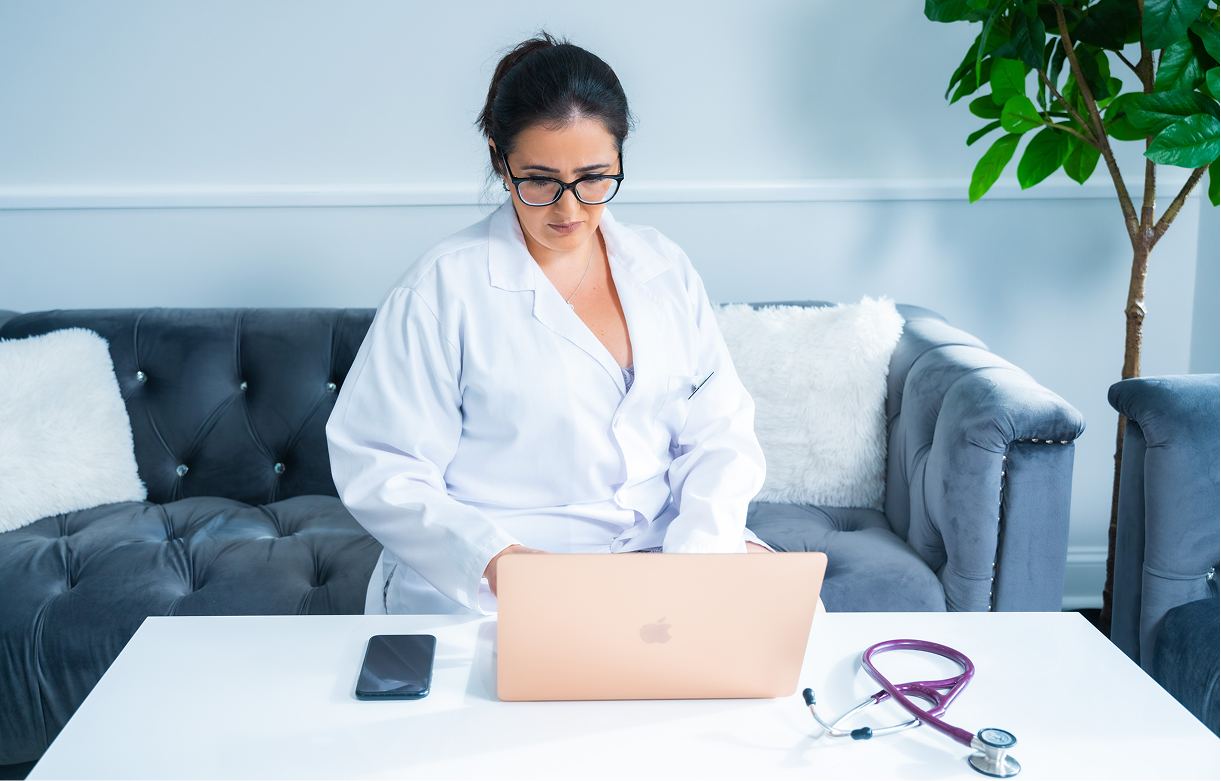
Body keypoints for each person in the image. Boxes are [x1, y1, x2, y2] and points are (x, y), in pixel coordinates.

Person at [326, 33, 776, 616]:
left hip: (662, 554)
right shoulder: (441, 289)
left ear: (619, 157)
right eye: (539, 180)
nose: (569, 210)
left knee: (786, 634)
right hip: (508, 573)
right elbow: (379, 462)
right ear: (499, 159)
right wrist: (495, 559)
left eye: (593, 178)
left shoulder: (663, 267)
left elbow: (719, 433)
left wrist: (697, 560)